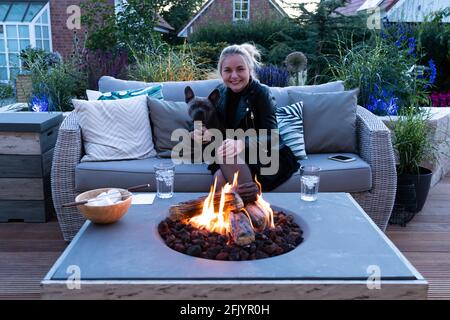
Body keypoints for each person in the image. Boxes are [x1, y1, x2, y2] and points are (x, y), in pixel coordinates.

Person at [193, 43, 300, 195]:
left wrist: (242, 143)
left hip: (266, 154)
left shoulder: (262, 93)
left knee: (223, 163)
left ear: (249, 70)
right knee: (219, 175)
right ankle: (237, 215)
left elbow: (272, 137)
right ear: (221, 73)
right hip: (233, 153)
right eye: (228, 70)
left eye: (240, 69)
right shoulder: (220, 92)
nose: (234, 76)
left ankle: (250, 207)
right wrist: (200, 132)